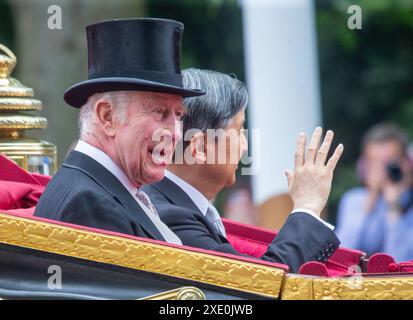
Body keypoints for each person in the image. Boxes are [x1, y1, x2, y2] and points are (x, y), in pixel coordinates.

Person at [143, 68, 344, 272]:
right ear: (200, 147)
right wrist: (308, 206)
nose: (245, 146)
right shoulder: (172, 217)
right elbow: (262, 283)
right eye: (238, 131)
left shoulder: (168, 204)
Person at [34, 18, 204, 245]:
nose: (174, 133)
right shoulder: (88, 204)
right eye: (159, 112)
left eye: (179, 115)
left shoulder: (97, 188)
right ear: (107, 116)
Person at [336, 123, 413, 261]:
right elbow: (341, 256)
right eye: (376, 164)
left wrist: (394, 210)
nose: (383, 172)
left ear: (407, 163)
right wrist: (369, 202)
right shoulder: (353, 200)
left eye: (389, 163)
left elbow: (401, 262)